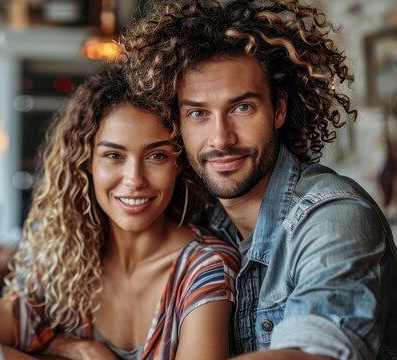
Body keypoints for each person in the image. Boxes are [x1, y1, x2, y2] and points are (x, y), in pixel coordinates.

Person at [118, 0, 397, 359]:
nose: (221, 138)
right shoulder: (199, 222)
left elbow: (313, 352)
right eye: (199, 113)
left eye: (242, 108)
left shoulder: (332, 218)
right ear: (179, 125)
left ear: (279, 109)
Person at [0, 64, 240, 360]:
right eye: (113, 155)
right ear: (86, 164)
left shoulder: (205, 267)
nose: (135, 179)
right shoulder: (64, 262)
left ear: (179, 165)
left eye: (156, 156)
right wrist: (72, 349)